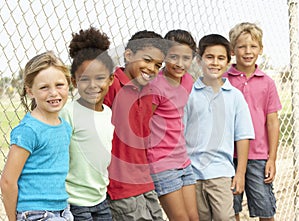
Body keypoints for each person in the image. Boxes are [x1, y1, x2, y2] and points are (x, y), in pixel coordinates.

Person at [183, 34, 255, 221]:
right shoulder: (189, 94)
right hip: (192, 174)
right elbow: (179, 134)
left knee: (225, 217)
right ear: (199, 60)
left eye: (221, 58)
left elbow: (243, 135)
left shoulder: (235, 96)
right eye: (209, 57)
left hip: (221, 173)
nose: (215, 62)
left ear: (228, 62)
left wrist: (240, 173)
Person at [0, 51, 73, 221]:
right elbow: (8, 181)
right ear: (30, 91)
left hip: (63, 210)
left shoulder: (65, 127)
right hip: (36, 213)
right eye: (44, 87)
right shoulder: (29, 130)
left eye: (59, 85)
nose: (54, 93)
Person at [103, 30, 166, 221]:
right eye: (146, 60)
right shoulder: (110, 85)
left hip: (145, 181)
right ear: (128, 55)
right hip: (120, 185)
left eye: (157, 65)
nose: (152, 68)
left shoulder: (149, 93)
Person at [223, 22, 282, 221]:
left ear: (261, 49)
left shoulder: (267, 82)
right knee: (231, 209)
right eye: (242, 46)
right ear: (233, 50)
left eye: (253, 46)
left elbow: (272, 122)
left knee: (265, 209)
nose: (248, 51)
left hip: (258, 157)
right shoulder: (223, 80)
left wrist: (271, 158)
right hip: (229, 155)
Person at [59, 27, 115, 220]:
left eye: (100, 78)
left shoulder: (108, 114)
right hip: (75, 201)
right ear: (74, 81)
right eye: (85, 79)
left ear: (111, 79)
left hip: (100, 199)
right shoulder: (68, 113)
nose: (92, 85)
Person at [147, 29, 199, 221]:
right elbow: (144, 123)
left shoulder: (187, 81)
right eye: (173, 57)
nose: (179, 63)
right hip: (162, 162)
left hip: (183, 159)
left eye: (186, 58)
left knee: (194, 217)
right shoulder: (155, 86)